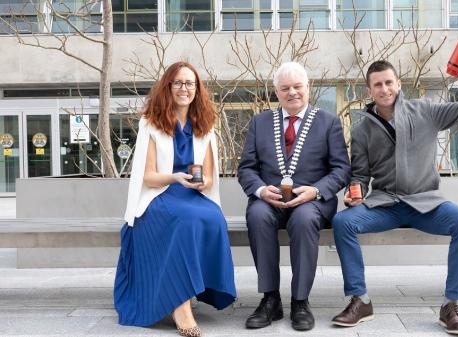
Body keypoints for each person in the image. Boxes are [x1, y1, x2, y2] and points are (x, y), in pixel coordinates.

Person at [331, 49, 458, 335]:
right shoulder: (361, 130)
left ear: (398, 84)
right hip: (385, 205)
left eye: (389, 82)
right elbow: (359, 174)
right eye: (377, 84)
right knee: (343, 222)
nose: (384, 89)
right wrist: (355, 193)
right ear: (369, 90)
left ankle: (452, 304)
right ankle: (360, 300)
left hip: (426, 204)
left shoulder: (426, 111)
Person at [114, 61, 236, 337]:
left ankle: (194, 288)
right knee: (185, 221)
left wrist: (203, 181)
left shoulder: (205, 125)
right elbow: (148, 177)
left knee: (214, 217)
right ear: (167, 87)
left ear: (197, 89)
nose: (184, 88)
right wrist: (175, 177)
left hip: (191, 194)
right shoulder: (152, 123)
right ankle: (181, 307)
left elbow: (207, 175)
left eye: (190, 83)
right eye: (178, 83)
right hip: (160, 193)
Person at [238, 61, 351, 331]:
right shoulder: (260, 122)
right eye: (285, 88)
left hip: (312, 202)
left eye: (298, 86)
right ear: (276, 92)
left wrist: (317, 190)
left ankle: (300, 300)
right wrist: (260, 190)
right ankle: (270, 299)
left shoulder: (328, 122)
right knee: (256, 213)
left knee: (302, 218)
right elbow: (246, 168)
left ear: (308, 88)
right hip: (270, 201)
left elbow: (342, 168)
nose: (292, 93)